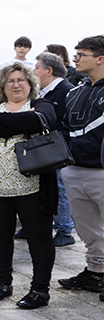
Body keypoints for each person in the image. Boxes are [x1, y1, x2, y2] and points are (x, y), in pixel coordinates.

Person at [0, 63, 57, 308]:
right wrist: (20, 121)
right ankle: (3, 282)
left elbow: (40, 122)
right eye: (10, 80)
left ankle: (39, 290)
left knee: (39, 238)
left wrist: (0, 120)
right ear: (2, 85)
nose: (16, 84)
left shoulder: (41, 104)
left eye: (21, 80)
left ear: (31, 84)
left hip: (33, 186)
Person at [56, 36, 104, 299]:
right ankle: (96, 272)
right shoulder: (74, 91)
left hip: (101, 171)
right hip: (75, 170)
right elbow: (64, 127)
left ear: (100, 58)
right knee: (88, 229)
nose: (74, 60)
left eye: (81, 55)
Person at [30, 52, 76, 247]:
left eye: (37, 67)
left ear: (49, 70)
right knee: (43, 188)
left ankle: (64, 230)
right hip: (43, 149)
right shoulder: (42, 92)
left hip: (58, 149)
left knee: (59, 188)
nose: (33, 71)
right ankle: (40, 227)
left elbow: (69, 122)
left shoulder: (67, 90)